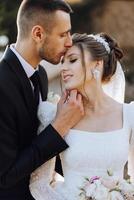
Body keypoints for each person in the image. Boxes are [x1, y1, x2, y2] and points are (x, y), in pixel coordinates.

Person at [29, 32, 134, 200]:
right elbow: (39, 185)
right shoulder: (53, 115)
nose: (63, 68)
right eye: (62, 62)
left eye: (72, 60)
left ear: (97, 65)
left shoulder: (130, 115)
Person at [0, 1, 84, 199]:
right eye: (63, 34)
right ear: (38, 34)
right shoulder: (2, 85)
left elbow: (34, 143)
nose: (70, 42)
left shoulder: (42, 75)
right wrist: (59, 127)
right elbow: (4, 176)